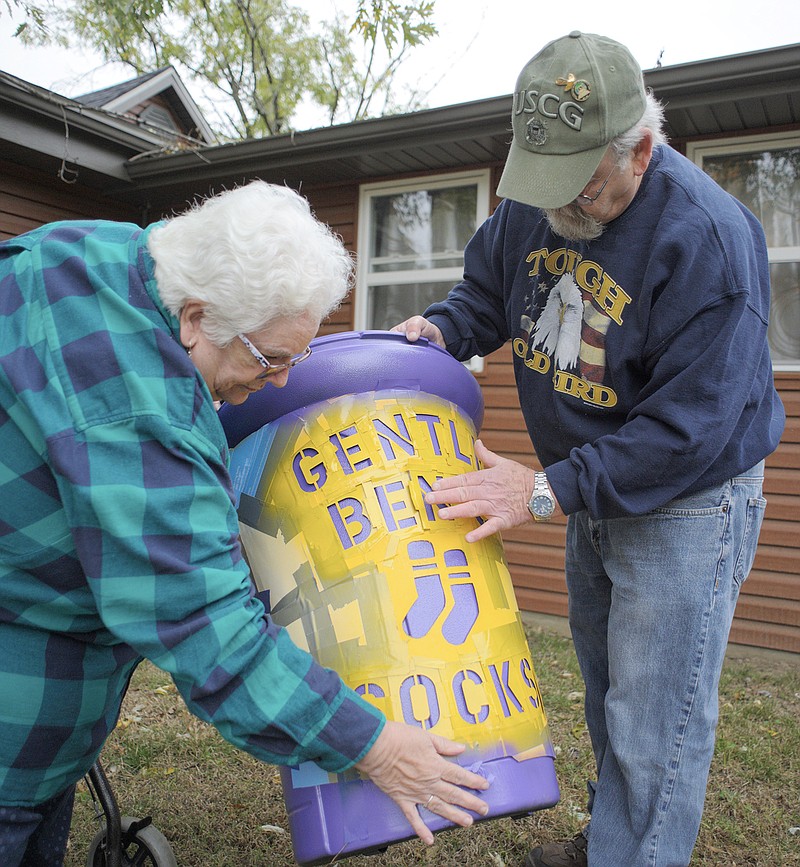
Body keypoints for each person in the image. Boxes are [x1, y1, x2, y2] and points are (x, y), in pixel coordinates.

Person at [0, 181, 489, 866]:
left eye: (298, 357)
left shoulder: (90, 252)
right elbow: (214, 637)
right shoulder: (146, 419)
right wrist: (376, 744)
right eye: (271, 359)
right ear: (197, 317)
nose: (284, 381)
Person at [392, 31, 785, 867]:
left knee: (659, 717)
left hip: (689, 496)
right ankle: (613, 840)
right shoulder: (538, 201)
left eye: (582, 184)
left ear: (640, 149)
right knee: (611, 697)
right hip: (585, 482)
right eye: (542, 181)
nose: (557, 205)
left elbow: (689, 431)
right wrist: (441, 329)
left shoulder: (708, 240)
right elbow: (487, 294)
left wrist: (544, 491)